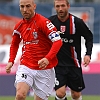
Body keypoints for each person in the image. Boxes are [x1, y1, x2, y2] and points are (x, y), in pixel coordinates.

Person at [5, 0, 63, 100]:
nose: (25, 10)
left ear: (34, 6)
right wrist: (11, 60)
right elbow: (14, 43)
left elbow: (58, 41)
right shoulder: (19, 26)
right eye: (22, 7)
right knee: (20, 95)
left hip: (45, 68)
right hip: (26, 65)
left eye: (28, 6)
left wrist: (47, 58)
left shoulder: (44, 22)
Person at [49, 0, 93, 100]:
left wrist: (88, 54)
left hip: (74, 63)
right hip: (57, 64)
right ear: (55, 7)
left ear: (68, 6)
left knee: (76, 94)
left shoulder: (77, 22)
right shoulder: (50, 23)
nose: (60, 9)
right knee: (60, 93)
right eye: (58, 6)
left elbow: (89, 37)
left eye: (63, 6)